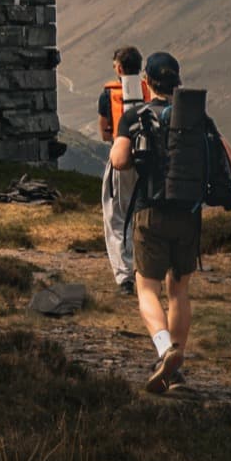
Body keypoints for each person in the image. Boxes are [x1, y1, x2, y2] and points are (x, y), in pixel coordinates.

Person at [109, 51, 231, 394]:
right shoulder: (197, 118)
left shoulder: (136, 115)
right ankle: (176, 372)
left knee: (146, 288)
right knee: (178, 290)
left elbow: (119, 160)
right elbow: (230, 159)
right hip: (189, 214)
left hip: (151, 212)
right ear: (177, 81)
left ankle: (165, 349)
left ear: (147, 82)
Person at [97, 46, 146, 296]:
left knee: (117, 215)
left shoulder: (109, 95)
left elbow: (104, 130)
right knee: (144, 213)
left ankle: (125, 276)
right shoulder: (150, 89)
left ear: (118, 68)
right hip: (150, 161)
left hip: (122, 157)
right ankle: (146, 269)